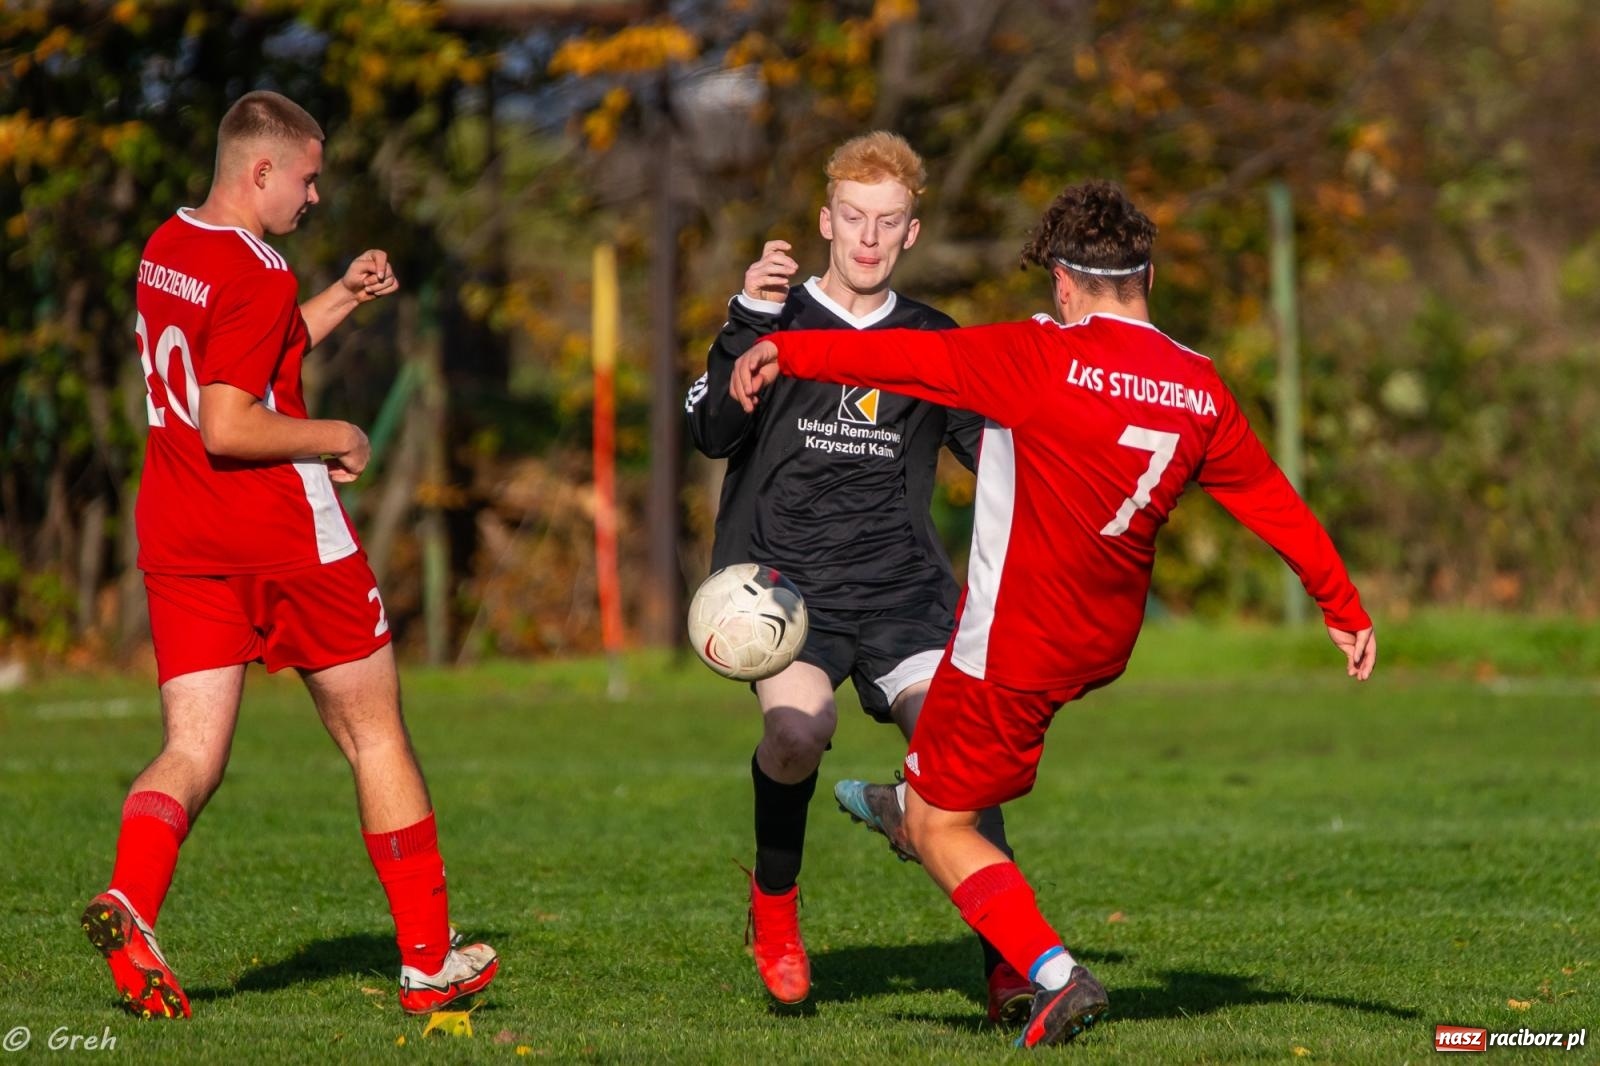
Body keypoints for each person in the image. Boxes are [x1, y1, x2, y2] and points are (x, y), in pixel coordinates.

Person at [730, 179, 1378, 1048]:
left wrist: (787, 350)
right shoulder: (1200, 385)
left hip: (1015, 645)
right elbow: (1270, 500)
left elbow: (907, 362)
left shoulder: (1038, 355)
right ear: (1147, 280)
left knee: (938, 826)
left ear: (1064, 284)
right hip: (1102, 642)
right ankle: (900, 797)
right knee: (946, 774)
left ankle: (1051, 972)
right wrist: (1342, 603)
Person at [81, 90, 497, 1020]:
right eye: (307, 179)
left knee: (191, 750)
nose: (314, 196)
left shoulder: (167, 246)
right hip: (282, 536)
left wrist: (342, 294)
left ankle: (129, 901)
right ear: (260, 169)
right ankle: (429, 961)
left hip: (180, 534)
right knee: (374, 734)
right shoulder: (258, 270)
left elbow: (251, 352)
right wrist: (335, 434)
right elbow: (230, 422)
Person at [684, 131, 1033, 1020]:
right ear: (826, 220)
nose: (869, 238)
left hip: (902, 592)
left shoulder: (935, 340)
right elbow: (713, 431)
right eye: (853, 217)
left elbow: (996, 458)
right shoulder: (773, 317)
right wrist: (746, 322)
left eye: (888, 222)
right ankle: (775, 912)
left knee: (959, 761)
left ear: (911, 231)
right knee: (797, 736)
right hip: (784, 592)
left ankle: (1008, 962)